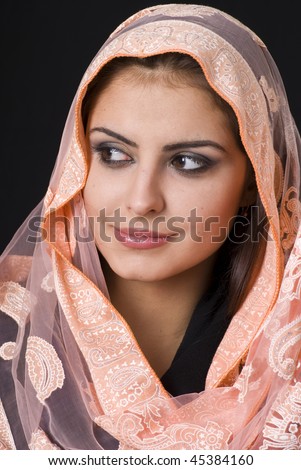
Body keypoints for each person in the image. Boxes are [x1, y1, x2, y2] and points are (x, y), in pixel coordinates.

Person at [0, 3, 300, 451]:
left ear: (253, 181)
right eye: (114, 155)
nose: (141, 202)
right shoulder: (10, 325)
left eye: (188, 162)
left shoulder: (289, 340)